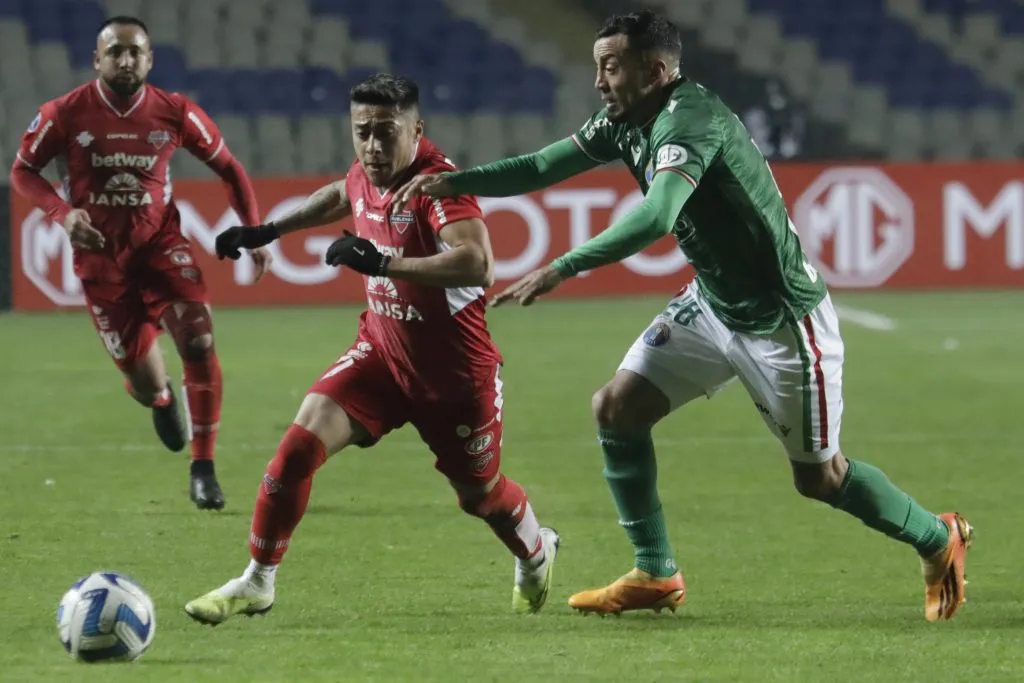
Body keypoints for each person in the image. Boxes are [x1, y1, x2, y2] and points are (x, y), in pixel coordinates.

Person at [392, 10, 971, 621]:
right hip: (713, 305)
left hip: (781, 323)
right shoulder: (625, 120)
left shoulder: (690, 119)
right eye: (597, 66)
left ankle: (939, 537)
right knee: (616, 407)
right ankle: (655, 571)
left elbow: (658, 215)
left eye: (611, 67)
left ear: (655, 71)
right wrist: (451, 183)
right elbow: (541, 166)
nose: (599, 81)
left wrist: (565, 265)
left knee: (821, 478)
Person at [183, 74, 559, 625]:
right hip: (381, 356)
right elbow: (342, 193)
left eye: (387, 132)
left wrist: (383, 263)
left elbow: (479, 264)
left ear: (416, 129)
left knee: (479, 496)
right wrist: (267, 231)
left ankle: (536, 551)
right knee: (296, 452)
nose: (374, 146)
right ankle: (257, 581)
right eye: (363, 132)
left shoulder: (437, 184)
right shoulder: (367, 169)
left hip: (455, 378)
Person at [9, 16, 270, 510]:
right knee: (146, 384)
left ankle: (203, 468)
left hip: (160, 247)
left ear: (150, 60)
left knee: (198, 338)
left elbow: (230, 168)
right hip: (101, 263)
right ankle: (162, 397)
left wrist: (254, 229)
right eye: (116, 52)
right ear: (97, 60)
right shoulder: (63, 114)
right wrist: (62, 214)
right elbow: (23, 171)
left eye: (135, 52)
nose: (126, 60)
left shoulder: (176, 112)